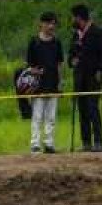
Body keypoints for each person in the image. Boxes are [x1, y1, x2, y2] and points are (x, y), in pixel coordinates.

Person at [68, 4, 102, 152]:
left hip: (93, 76)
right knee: (82, 108)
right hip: (79, 77)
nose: (72, 20)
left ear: (79, 17)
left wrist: (100, 70)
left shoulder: (99, 32)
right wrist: (72, 60)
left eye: (73, 17)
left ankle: (98, 141)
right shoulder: (76, 35)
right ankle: (86, 141)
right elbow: (70, 54)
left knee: (93, 107)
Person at [25, 11, 65, 153]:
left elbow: (60, 64)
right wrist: (35, 72)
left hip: (53, 83)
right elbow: (29, 65)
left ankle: (49, 143)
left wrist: (60, 82)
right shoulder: (34, 42)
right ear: (41, 24)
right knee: (37, 116)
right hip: (37, 85)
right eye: (49, 23)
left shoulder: (57, 42)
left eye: (53, 23)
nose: (51, 26)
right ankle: (35, 143)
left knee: (51, 116)